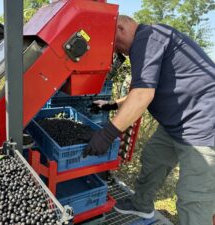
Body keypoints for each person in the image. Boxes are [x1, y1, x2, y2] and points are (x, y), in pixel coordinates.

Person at [83, 15, 215, 225]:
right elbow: (144, 87)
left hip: (202, 125)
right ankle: (141, 205)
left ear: (120, 29)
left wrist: (107, 134)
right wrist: (114, 104)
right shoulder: (149, 41)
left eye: (115, 45)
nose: (118, 52)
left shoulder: (149, 37)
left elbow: (143, 95)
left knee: (194, 198)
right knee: (153, 159)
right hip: (177, 122)